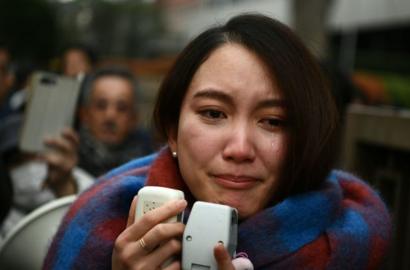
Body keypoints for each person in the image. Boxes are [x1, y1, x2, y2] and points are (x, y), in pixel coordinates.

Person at [43, 14, 391, 269]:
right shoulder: (102, 218)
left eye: (273, 121)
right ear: (172, 129)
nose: (239, 148)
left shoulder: (356, 240)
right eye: (213, 113)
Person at [0, 113, 93, 238]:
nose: (31, 167)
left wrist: (64, 187)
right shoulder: (4, 217)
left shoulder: (84, 185)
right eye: (18, 160)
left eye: (39, 155)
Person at [77, 67, 154, 177]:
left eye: (122, 107)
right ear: (84, 114)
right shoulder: (67, 156)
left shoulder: (150, 165)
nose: (110, 116)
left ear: (134, 118)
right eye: (101, 105)